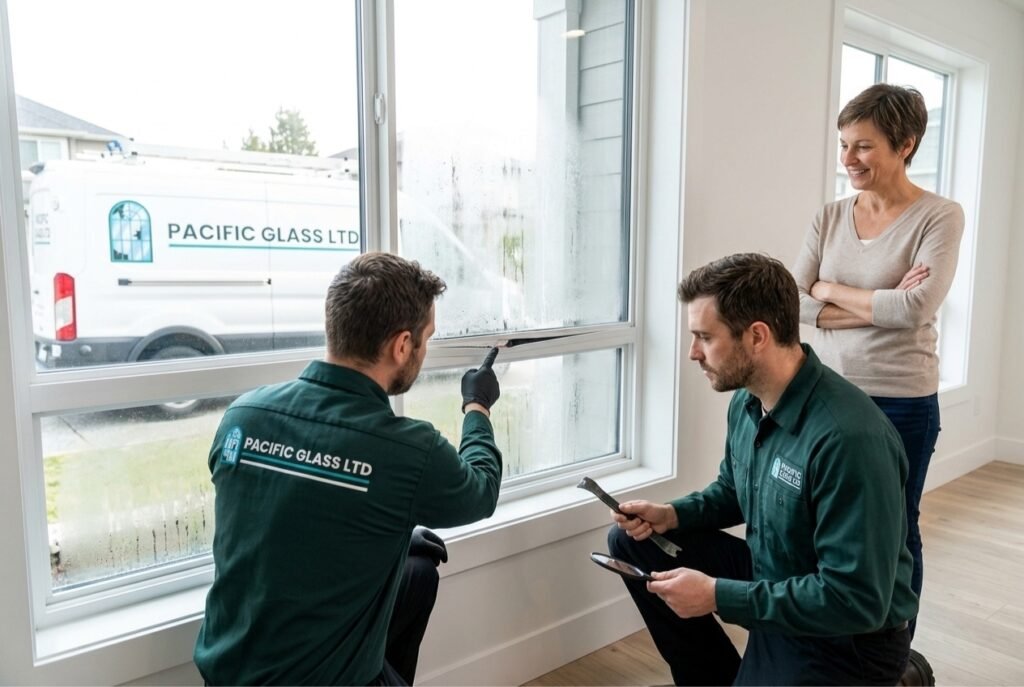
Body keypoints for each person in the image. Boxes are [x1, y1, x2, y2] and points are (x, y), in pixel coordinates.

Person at [193, 252, 504, 686]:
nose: (424, 349)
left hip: (228, 673)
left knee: (416, 571)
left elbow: (292, 508)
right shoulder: (408, 448)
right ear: (402, 345)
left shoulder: (243, 417)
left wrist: (389, 529)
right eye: (425, 338)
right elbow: (480, 490)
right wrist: (477, 406)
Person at [607, 253, 917, 686]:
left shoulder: (848, 439)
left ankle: (906, 676)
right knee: (631, 542)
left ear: (757, 336)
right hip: (774, 578)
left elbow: (856, 600)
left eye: (704, 337)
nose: (693, 353)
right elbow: (734, 490)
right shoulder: (747, 401)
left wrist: (718, 596)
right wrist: (672, 514)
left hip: (845, 638)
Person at [793, 83, 965, 636]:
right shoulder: (829, 216)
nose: (848, 158)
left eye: (863, 146)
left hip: (901, 399)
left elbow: (915, 308)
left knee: (893, 529)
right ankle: (832, 642)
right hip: (827, 396)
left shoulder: (939, 216)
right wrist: (877, 305)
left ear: (905, 144)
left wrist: (828, 288)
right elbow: (792, 302)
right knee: (822, 523)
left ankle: (893, 650)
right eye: (844, 144)